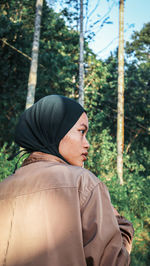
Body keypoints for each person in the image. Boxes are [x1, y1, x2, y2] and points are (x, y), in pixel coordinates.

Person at [0, 95, 134, 266]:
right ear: (56, 129)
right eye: (81, 131)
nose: (87, 144)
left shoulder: (3, 187)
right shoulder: (83, 182)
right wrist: (123, 228)